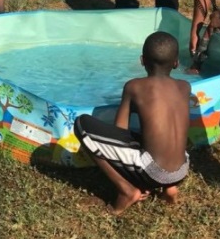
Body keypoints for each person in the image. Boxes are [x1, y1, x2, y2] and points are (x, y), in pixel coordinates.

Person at [74, 31, 190, 215]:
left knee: (81, 125)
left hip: (153, 171)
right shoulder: (185, 86)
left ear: (142, 60)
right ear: (176, 63)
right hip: (182, 168)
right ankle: (169, 186)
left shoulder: (134, 86)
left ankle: (127, 190)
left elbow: (120, 130)